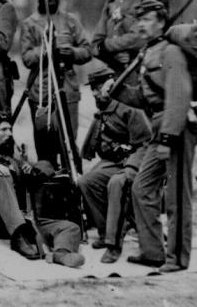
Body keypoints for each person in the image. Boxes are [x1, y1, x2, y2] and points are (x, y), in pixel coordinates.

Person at [108, 0, 197, 272]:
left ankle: (178, 258)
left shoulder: (170, 52)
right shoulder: (149, 52)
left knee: (176, 196)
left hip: (178, 128)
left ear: (161, 23)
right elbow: (146, 97)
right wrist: (117, 92)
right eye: (139, 20)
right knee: (142, 187)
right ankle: (152, 252)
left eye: (147, 20)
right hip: (159, 127)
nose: (141, 25)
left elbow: (178, 98)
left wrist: (168, 139)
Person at [0, 112, 85, 267]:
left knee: (70, 228)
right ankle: (18, 237)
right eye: (3, 130)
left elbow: (46, 168)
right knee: (1, 175)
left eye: (10, 130)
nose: (9, 134)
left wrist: (32, 171)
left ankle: (61, 254)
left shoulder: (15, 160)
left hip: (21, 217)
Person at [78, 64, 152, 263]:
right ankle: (105, 231)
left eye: (98, 86)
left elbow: (146, 143)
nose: (94, 91)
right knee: (87, 181)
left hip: (138, 163)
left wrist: (130, 168)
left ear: (111, 84)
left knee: (117, 184)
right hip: (114, 161)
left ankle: (113, 244)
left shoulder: (129, 107)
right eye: (92, 87)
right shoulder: (104, 107)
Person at [18, 0, 91, 167]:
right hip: (40, 93)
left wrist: (72, 52)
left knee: (69, 143)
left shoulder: (71, 20)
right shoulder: (29, 24)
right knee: (45, 148)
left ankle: (73, 189)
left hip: (67, 90)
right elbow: (26, 58)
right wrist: (47, 49)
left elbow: (88, 50)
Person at [91, 0, 144, 74]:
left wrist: (106, 47)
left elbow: (138, 38)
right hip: (116, 72)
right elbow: (95, 45)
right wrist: (112, 56)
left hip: (142, 69)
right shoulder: (110, 5)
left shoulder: (143, 0)